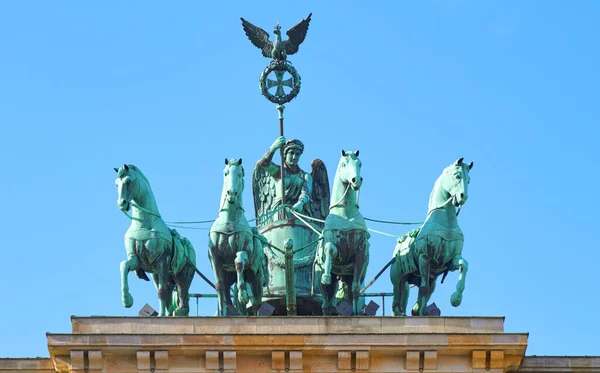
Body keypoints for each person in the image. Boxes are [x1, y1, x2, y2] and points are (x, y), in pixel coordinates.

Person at [257, 136, 313, 217]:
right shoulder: (279, 172)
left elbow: (306, 192)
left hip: (299, 212)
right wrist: (274, 147)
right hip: (281, 213)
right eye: (291, 153)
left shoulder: (305, 176)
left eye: (297, 154)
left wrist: (300, 203)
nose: (294, 157)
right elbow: (263, 163)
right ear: (285, 154)